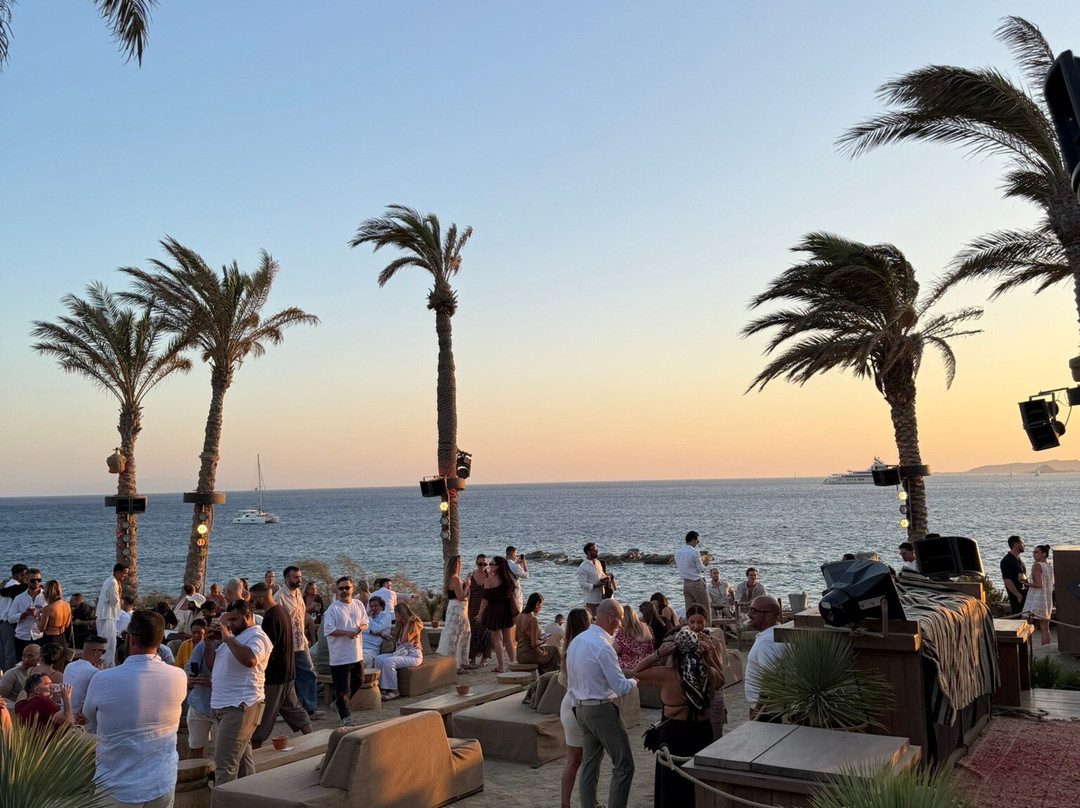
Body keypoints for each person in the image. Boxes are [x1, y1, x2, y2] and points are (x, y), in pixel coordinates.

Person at [83, 610, 187, 807]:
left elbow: (90, 723)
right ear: (160, 641)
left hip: (115, 786)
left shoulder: (102, 680)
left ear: (130, 639)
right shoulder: (179, 676)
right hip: (161, 781)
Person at [566, 598, 637, 808]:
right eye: (619, 620)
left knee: (590, 763)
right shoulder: (604, 646)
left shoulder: (576, 641)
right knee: (624, 764)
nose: (620, 625)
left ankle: (589, 805)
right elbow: (621, 687)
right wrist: (636, 679)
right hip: (601, 709)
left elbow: (573, 680)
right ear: (610, 617)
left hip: (580, 708)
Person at [633, 627, 716, 807]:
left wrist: (658, 654)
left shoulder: (667, 675)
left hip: (675, 734)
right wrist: (708, 655)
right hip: (702, 731)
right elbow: (721, 677)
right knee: (699, 784)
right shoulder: (708, 673)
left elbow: (637, 671)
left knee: (673, 785)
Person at [205, 599, 272, 785]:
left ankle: (223, 798)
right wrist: (209, 644)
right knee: (242, 762)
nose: (230, 624)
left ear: (248, 616)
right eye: (228, 620)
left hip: (241, 706)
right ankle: (248, 795)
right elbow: (212, 665)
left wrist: (227, 639)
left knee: (225, 765)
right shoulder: (235, 638)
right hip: (226, 706)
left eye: (234, 620)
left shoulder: (258, 636)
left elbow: (250, 660)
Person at [247, 583, 312, 746]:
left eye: (254, 599)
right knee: (294, 710)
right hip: (288, 671)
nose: (253, 603)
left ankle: (255, 749)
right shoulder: (282, 611)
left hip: (275, 676)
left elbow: (268, 650)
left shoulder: (270, 618)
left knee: (263, 716)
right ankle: (312, 739)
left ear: (261, 598)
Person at [557, 608, 593, 808]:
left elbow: (563, 682)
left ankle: (577, 802)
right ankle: (566, 804)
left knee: (580, 759)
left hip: (570, 703)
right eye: (590, 619)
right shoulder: (582, 648)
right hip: (576, 706)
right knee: (576, 760)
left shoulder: (569, 648)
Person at [278, 566, 323, 718]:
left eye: (300, 577)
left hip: (300, 642)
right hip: (286, 644)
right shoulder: (280, 598)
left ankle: (310, 709)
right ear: (286, 579)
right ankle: (285, 710)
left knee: (308, 672)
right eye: (295, 577)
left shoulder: (298, 594)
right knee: (287, 678)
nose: (299, 580)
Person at [321, 576, 368, 726]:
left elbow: (365, 621)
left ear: (352, 589)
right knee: (342, 688)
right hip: (340, 656)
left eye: (347, 588)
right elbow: (329, 630)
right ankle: (345, 717)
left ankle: (339, 704)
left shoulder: (358, 604)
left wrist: (361, 627)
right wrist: (346, 633)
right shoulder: (333, 609)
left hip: (356, 653)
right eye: (341, 588)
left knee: (359, 680)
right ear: (337, 589)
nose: (344, 591)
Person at [685, 603, 727, 739]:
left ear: (706, 622)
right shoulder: (683, 641)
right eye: (692, 622)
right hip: (690, 691)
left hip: (712, 690)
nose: (696, 626)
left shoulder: (714, 641)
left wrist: (710, 652)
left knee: (715, 733)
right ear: (687, 622)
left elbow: (719, 669)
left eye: (700, 622)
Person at [373, 602, 423, 701]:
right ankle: (382, 688)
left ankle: (394, 690)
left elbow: (405, 640)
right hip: (400, 653)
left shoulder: (414, 624)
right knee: (378, 659)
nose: (394, 616)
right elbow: (399, 642)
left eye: (396, 613)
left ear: (401, 614)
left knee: (389, 662)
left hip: (413, 655)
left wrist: (408, 623)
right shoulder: (400, 625)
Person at [744, 596, 783, 719]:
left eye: (754, 611)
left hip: (766, 711)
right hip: (770, 709)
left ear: (769, 616)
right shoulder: (777, 633)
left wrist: (757, 712)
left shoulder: (766, 642)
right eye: (749, 610)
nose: (749, 614)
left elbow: (769, 682)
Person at [476, 556, 517, 671]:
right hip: (506, 610)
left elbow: (485, 600)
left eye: (492, 564)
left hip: (494, 610)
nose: (489, 565)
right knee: (508, 639)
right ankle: (513, 663)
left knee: (497, 639)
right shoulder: (508, 579)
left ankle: (501, 666)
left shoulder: (489, 581)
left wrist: (480, 614)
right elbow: (514, 595)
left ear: (497, 567)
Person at [436, 556, 473, 673]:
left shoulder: (452, 579)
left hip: (460, 609)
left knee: (465, 633)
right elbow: (461, 597)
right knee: (455, 636)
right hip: (457, 610)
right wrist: (467, 585)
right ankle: (455, 664)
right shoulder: (455, 580)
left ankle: (463, 661)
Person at [515, 592, 560, 674]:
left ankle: (544, 674)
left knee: (546, 651)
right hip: (530, 655)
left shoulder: (519, 616)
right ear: (537, 604)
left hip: (520, 655)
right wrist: (543, 641)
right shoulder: (533, 620)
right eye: (540, 606)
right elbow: (534, 644)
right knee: (554, 650)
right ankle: (551, 676)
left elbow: (516, 638)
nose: (540, 608)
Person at [65, 635, 107, 714]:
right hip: (79, 715)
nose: (102, 655)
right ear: (96, 652)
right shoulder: (94, 672)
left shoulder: (69, 666)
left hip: (65, 710)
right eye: (103, 651)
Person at [97, 564, 128, 668]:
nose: (125, 576)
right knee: (107, 645)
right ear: (117, 572)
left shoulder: (110, 581)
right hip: (107, 617)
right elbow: (114, 601)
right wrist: (120, 592)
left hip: (107, 616)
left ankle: (106, 665)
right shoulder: (113, 583)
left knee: (108, 644)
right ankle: (105, 666)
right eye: (124, 573)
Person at [466, 555, 494, 668]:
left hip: (487, 607)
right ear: (476, 563)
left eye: (485, 564)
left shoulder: (490, 576)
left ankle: (484, 658)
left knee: (486, 633)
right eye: (480, 564)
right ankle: (472, 658)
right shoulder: (471, 575)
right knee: (473, 632)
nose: (482, 566)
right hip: (473, 607)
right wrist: (466, 609)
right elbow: (468, 594)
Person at [1023, 545, 1055, 645]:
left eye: (1036, 552)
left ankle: (1024, 648)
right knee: (1045, 628)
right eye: (1033, 552)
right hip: (1046, 599)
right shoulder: (1049, 566)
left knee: (1024, 624)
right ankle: (1046, 648)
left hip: (1035, 598)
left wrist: (1025, 583)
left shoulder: (1037, 566)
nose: (1033, 554)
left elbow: (1038, 584)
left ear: (1044, 554)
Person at [11, 569, 46, 657]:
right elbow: (10, 618)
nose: (36, 582)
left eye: (39, 580)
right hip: (22, 637)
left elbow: (51, 615)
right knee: (21, 663)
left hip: (39, 636)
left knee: (39, 663)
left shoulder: (46, 597)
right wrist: (24, 614)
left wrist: (38, 615)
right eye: (33, 580)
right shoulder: (19, 598)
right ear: (26, 580)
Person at [675, 531, 710, 615]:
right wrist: (705, 563)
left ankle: (690, 624)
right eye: (697, 541)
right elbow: (701, 569)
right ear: (693, 540)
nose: (697, 543)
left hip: (686, 584)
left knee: (690, 611)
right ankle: (707, 623)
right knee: (705, 609)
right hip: (696, 582)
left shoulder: (678, 553)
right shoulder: (694, 552)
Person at [0, 564, 27, 669]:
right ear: (20, 576)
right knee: (10, 652)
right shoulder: (17, 588)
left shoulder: (5, 585)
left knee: (2, 652)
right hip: (9, 623)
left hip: (2, 621)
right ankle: (9, 675)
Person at [613, 602, 654, 672]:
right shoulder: (647, 628)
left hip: (630, 664)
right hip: (646, 662)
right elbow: (651, 647)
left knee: (609, 657)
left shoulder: (623, 632)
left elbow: (615, 650)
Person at [577, 543, 610, 617]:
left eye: (596, 550)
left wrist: (606, 578)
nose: (597, 552)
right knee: (593, 619)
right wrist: (596, 585)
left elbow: (601, 575)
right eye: (594, 550)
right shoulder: (583, 567)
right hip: (591, 599)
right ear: (588, 552)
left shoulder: (598, 562)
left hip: (601, 597)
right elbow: (582, 584)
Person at [361, 595, 393, 669]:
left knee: (355, 662)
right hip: (359, 648)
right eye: (371, 606)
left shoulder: (385, 616)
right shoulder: (367, 618)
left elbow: (376, 629)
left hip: (370, 650)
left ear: (382, 607)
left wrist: (369, 618)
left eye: (376, 606)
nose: (373, 608)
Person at [1001, 535, 1028, 615]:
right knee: (1018, 614)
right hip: (1016, 594)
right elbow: (1007, 581)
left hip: (1024, 591)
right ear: (1016, 545)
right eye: (1022, 543)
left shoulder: (1018, 559)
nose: (1024, 545)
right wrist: (1018, 595)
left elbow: (1023, 575)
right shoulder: (1006, 561)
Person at [505, 546, 529, 616]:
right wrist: (524, 564)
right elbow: (526, 575)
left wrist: (517, 563)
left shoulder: (502, 564)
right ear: (513, 554)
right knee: (516, 615)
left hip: (504, 594)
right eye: (515, 553)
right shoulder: (515, 567)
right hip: (515, 594)